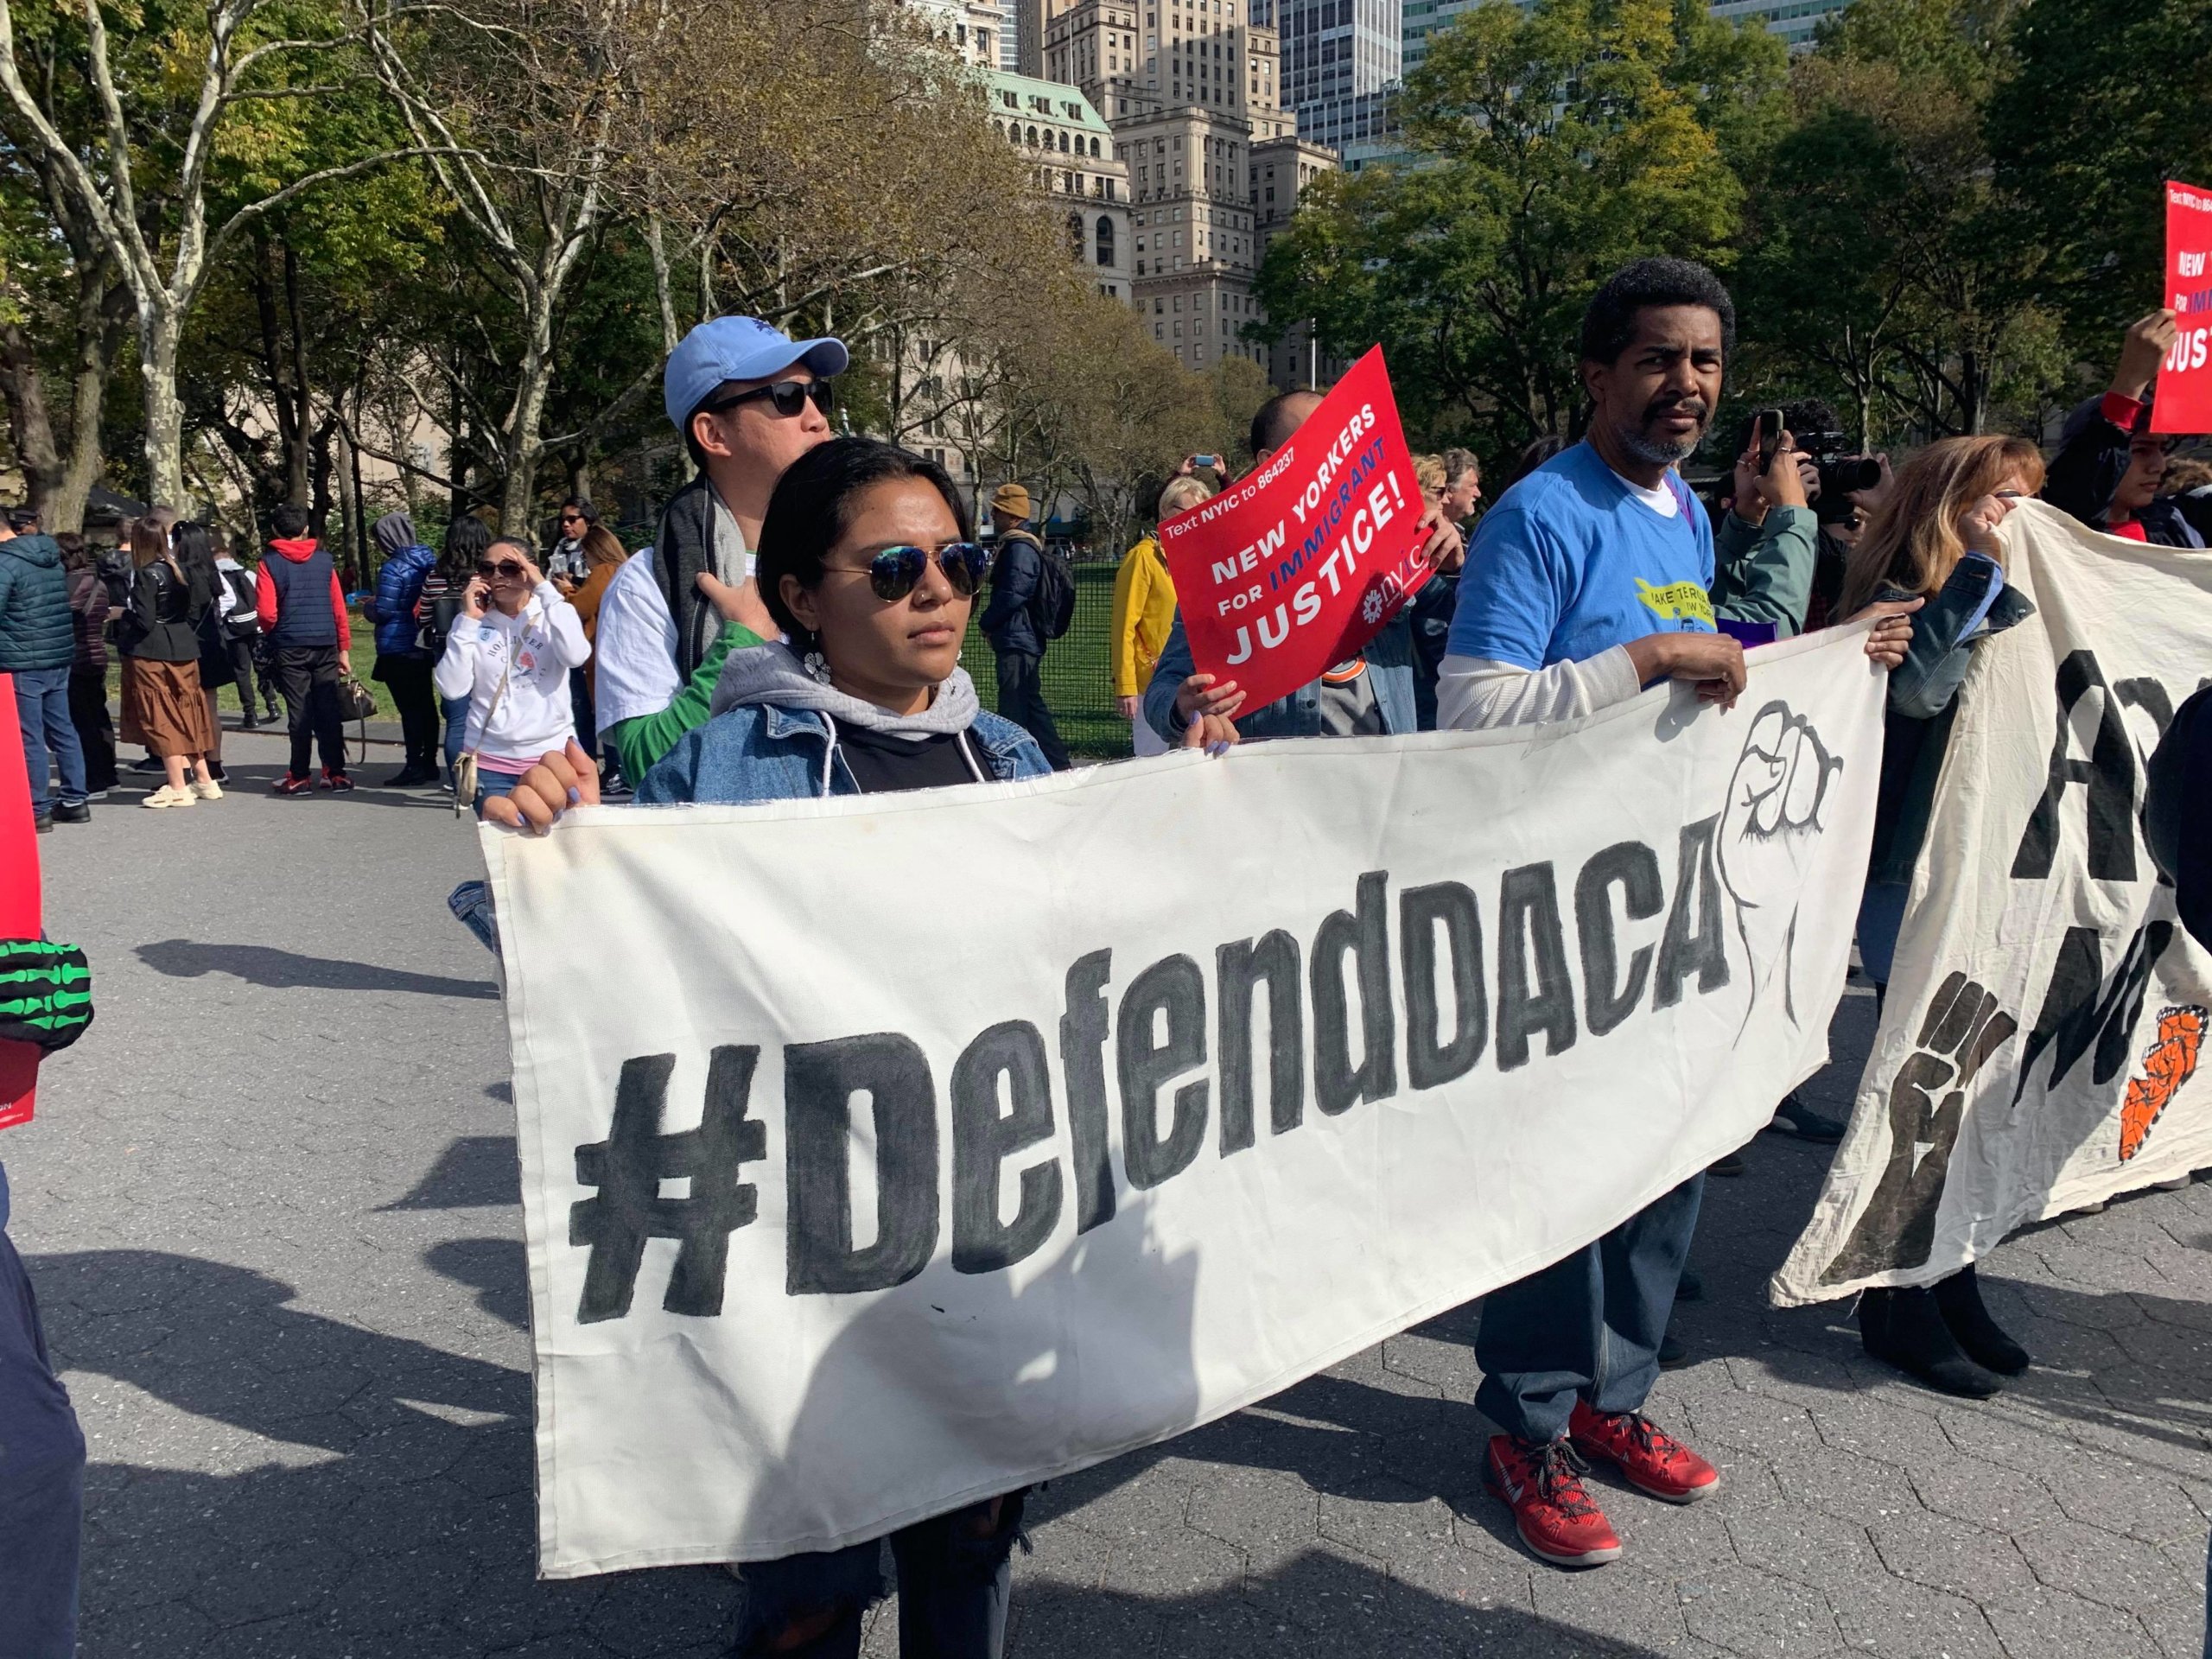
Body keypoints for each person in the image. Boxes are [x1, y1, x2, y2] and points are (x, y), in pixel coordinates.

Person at [486, 439, 1047, 1658]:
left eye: (956, 561)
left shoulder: (1013, 762)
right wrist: (552, 854)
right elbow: (597, 971)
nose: (940, 589)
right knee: (812, 1586)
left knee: (968, 1548)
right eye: (896, 566)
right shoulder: (728, 766)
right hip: (795, 1255)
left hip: (973, 1234)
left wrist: (1202, 805)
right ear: (800, 597)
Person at [1433, 257, 1916, 1569]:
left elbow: (1698, 692)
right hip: (1559, 920)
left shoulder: (1687, 518)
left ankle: (1615, 1404)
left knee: (1668, 1162)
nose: (1686, 384)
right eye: (1656, 359)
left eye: (1704, 361)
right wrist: (1648, 656)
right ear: (1599, 374)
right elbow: (1470, 715)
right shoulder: (1542, 516)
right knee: (1564, 1183)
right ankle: (1526, 1426)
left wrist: (1822, 652)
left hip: (1676, 909)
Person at [1834, 433, 2049, 1400]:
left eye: (2019, 501)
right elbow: (1913, 693)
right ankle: (1894, 1296)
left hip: (1970, 860)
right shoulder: (1893, 576)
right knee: (1921, 1074)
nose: (2010, 515)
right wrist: (1972, 587)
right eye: (1999, 497)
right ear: (1952, 492)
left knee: (1968, 1082)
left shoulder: (1985, 569)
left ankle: (1945, 1273)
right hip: (1896, 867)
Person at [591, 315, 842, 787]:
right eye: (787, 397)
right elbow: (648, 765)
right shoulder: (647, 583)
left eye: (818, 395)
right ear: (713, 434)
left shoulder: (860, 554)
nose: (816, 417)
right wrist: (742, 639)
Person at [1144, 389, 1463, 747]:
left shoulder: (1381, 538)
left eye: (1338, 439)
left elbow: (1456, 646)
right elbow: (1162, 692)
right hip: (1276, 788)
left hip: (1384, 785)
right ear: (1269, 463)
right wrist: (1182, 708)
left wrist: (1448, 567)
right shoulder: (1224, 570)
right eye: (1316, 441)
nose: (1333, 455)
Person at [433, 536, 588, 818]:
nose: (497, 576)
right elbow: (452, 688)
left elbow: (576, 655)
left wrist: (545, 589)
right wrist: (468, 620)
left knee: (557, 853)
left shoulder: (553, 613)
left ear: (530, 570)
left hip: (550, 758)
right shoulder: (470, 622)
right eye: (488, 568)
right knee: (506, 858)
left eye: (509, 567)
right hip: (491, 763)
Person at [2044, 309, 2206, 549]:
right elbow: (2082, 488)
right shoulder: (2059, 537)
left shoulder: (2175, 524)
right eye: (2141, 450)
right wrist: (2130, 382)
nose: (2159, 466)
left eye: (2161, 449)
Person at [117, 520, 220, 808]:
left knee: (161, 715)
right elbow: (193, 608)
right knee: (189, 711)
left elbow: (144, 620)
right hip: (184, 644)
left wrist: (121, 614)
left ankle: (177, 785)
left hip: (153, 651)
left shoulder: (146, 574)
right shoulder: (180, 570)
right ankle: (203, 778)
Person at [0, 511, 89, 830]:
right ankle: (75, 799)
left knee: (30, 737)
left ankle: (37, 807)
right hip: (57, 654)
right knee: (62, 728)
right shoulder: (49, 555)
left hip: (22, 659)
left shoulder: (5, 563)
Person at [257, 503, 354, 794]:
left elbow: (266, 612)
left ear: (275, 530)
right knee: (328, 709)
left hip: (289, 645)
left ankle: (299, 774)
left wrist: (277, 631)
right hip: (325, 642)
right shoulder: (325, 561)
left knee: (299, 712)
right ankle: (335, 772)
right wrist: (344, 648)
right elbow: (339, 607)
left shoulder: (268, 563)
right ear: (306, 529)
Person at [1111, 475, 1210, 757]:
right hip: (1150, 682)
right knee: (1151, 763)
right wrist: (1125, 686)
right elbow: (1123, 626)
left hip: (1191, 680)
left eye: (1200, 515)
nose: (1193, 521)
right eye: (1186, 513)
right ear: (1165, 512)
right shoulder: (1142, 558)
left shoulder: (1197, 561)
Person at [978, 482, 1071, 771]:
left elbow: (1015, 591)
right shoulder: (1024, 545)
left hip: (1017, 638)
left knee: (1014, 708)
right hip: (1023, 638)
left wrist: (987, 621)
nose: (993, 515)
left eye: (999, 510)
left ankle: (1014, 767)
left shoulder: (1018, 548)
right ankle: (1057, 764)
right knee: (1031, 705)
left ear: (1013, 516)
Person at [365, 511, 442, 786]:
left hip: (397, 644)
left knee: (409, 709)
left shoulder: (393, 567)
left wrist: (369, 606)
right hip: (423, 641)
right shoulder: (430, 561)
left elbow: (384, 610)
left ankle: (414, 765)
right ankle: (430, 761)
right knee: (426, 704)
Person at [565, 522, 632, 793]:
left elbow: (581, 606)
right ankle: (618, 769)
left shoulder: (604, 570)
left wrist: (565, 591)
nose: (584, 558)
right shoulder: (623, 570)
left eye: (585, 553)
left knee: (600, 710)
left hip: (597, 650)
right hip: (616, 650)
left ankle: (616, 770)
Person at [427, 517, 490, 789]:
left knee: (457, 718)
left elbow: (425, 616)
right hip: (488, 646)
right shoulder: (488, 577)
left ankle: (459, 781)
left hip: (447, 646)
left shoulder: (435, 576)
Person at [56, 533, 114, 798]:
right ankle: (109, 773)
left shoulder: (67, 585)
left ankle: (94, 779)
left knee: (81, 721)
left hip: (75, 657)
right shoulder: (98, 583)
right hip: (97, 654)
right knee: (99, 716)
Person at [547, 499, 597, 588]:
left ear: (588, 521)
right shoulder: (559, 547)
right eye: (562, 520)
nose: (566, 524)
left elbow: (602, 582)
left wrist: (571, 581)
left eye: (572, 519)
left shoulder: (598, 547)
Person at [1440, 448, 1483, 526]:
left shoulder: (1458, 533)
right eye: (1472, 485)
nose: (1478, 493)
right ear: (1448, 490)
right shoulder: (1425, 530)